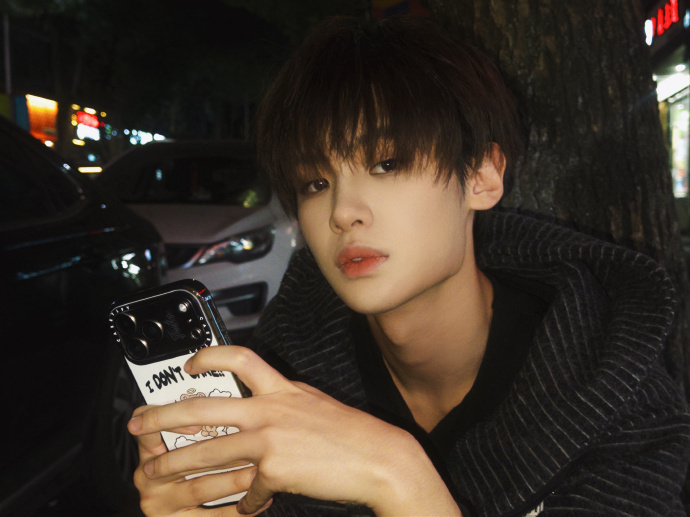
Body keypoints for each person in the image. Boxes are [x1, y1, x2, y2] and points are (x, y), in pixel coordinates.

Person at [127, 15, 690, 516]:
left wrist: (398, 476)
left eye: (387, 163)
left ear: (482, 175)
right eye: (315, 182)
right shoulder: (284, 380)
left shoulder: (619, 394)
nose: (343, 212)